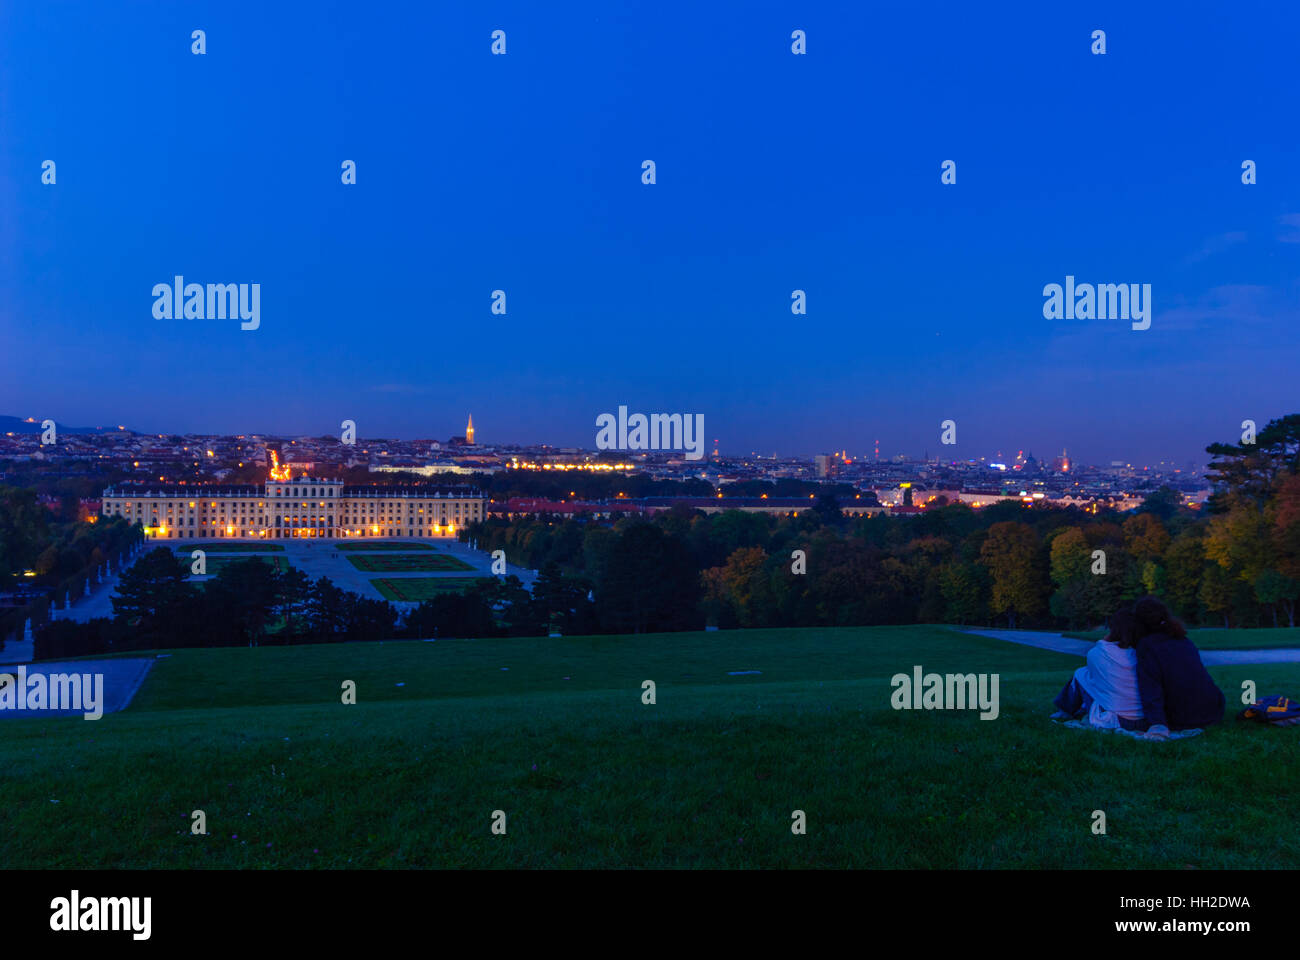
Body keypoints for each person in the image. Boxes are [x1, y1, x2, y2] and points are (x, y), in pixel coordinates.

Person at [1132, 596, 1225, 740]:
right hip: (1213, 711)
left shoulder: (1148, 646)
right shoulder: (1183, 640)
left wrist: (1157, 723)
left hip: (1185, 717)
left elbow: (1150, 688)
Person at [1051, 608, 1145, 730]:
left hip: (1115, 718)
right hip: (1142, 718)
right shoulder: (1141, 654)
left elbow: (1093, 674)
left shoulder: (1099, 652)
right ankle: (1072, 708)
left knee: (1081, 674)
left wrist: (1106, 639)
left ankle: (1065, 709)